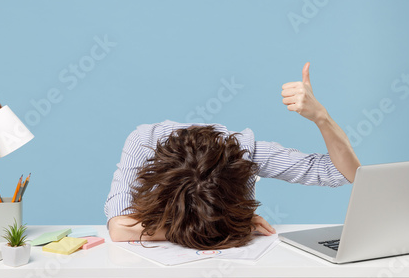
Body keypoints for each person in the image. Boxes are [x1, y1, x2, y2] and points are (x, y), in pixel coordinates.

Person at [104, 62, 360, 250]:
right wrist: (221, 227)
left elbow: (344, 172)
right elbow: (119, 228)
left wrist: (321, 118)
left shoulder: (245, 153)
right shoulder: (144, 144)